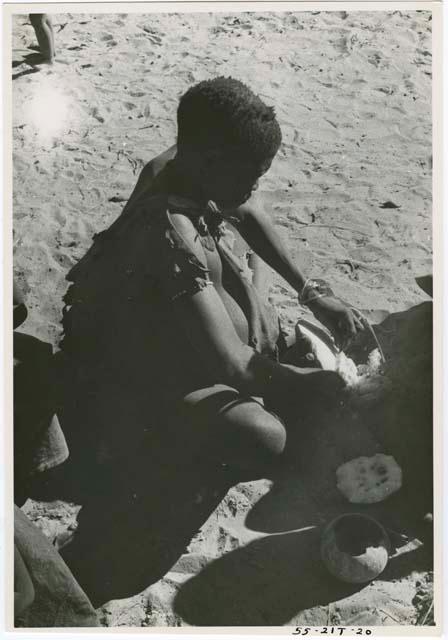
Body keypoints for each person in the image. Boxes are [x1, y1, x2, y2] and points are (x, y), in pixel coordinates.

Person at [61, 76, 364, 477]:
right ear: (210, 161)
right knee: (264, 437)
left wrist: (310, 292)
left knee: (256, 315)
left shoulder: (185, 163)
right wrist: (320, 384)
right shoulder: (169, 232)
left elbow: (250, 210)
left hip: (197, 330)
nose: (255, 187)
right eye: (249, 176)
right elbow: (234, 365)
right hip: (154, 369)